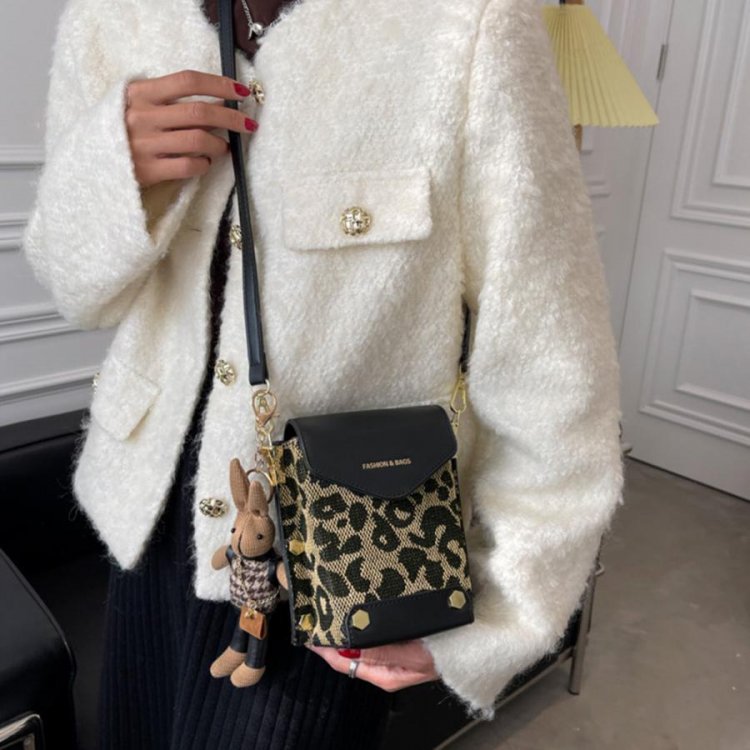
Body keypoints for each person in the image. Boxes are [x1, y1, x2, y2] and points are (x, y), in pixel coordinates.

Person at [22, 0, 626, 747]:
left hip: (339, 552)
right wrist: (114, 166)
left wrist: (504, 609)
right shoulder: (112, 16)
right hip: (145, 522)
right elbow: (76, 290)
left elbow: (553, 359)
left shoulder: (467, 25)